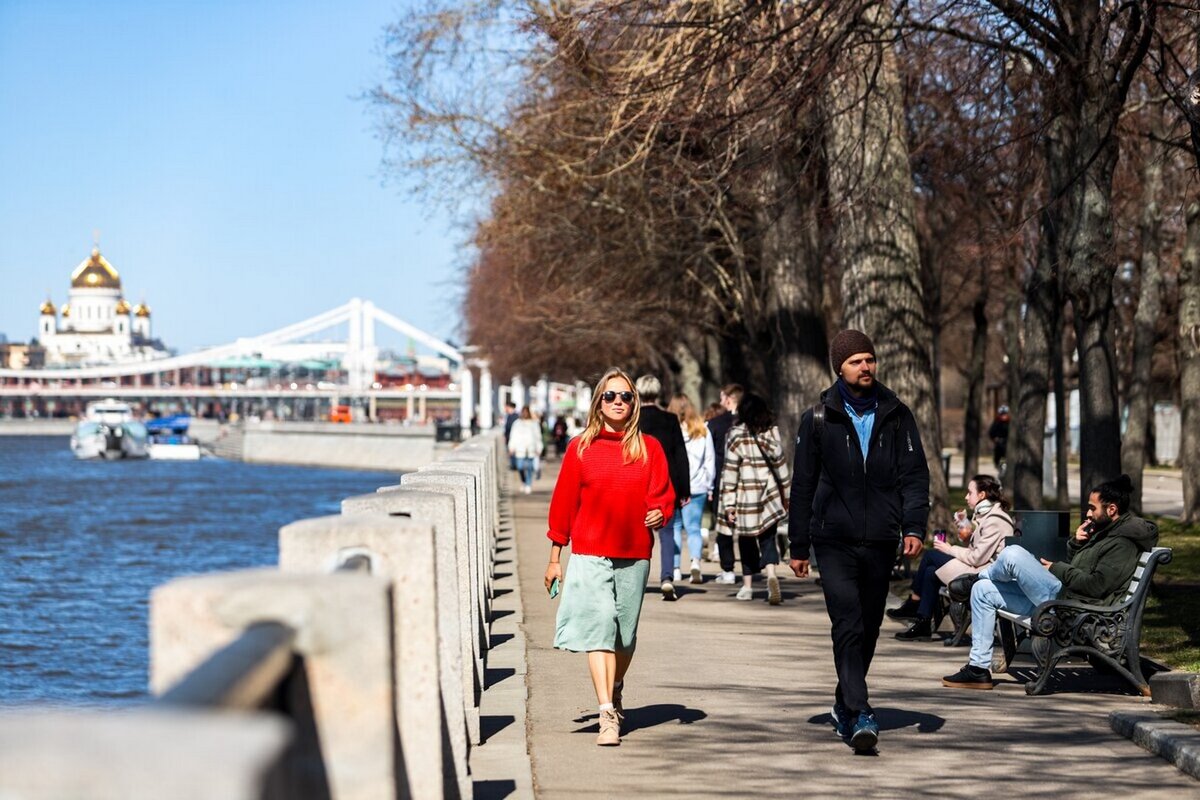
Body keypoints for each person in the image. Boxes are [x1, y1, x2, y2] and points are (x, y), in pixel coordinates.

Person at [788, 330, 930, 752]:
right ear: (839, 368)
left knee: (869, 625)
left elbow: (915, 476)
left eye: (869, 359)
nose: (865, 367)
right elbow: (803, 485)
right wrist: (798, 546)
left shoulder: (897, 413)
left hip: (882, 539)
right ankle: (861, 710)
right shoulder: (818, 417)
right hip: (832, 539)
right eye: (856, 361)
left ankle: (842, 703)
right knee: (847, 622)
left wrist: (914, 527)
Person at [544, 367, 675, 746]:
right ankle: (606, 714)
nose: (619, 402)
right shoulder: (580, 447)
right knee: (599, 625)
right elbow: (563, 505)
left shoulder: (649, 447)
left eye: (626, 396)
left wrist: (659, 512)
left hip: (634, 552)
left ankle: (616, 684)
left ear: (635, 403)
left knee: (625, 637)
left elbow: (662, 494)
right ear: (598, 403)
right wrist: (555, 557)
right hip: (589, 551)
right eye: (611, 396)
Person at [941, 474, 1159, 690]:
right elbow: (1082, 568)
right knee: (982, 591)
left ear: (1111, 510)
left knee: (1013, 554)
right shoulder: (1106, 532)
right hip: (1063, 600)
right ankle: (978, 670)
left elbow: (1096, 586)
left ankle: (976, 576)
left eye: (1093, 508)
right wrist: (1076, 543)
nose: (1088, 513)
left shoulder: (1121, 544)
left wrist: (1056, 567)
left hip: (1072, 608)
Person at [888, 474, 1012, 640]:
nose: (966, 497)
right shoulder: (987, 517)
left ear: (982, 495)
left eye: (970, 493)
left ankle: (914, 602)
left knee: (932, 555)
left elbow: (977, 558)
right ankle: (923, 622)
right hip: (980, 567)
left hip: (986, 573)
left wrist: (949, 548)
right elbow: (980, 550)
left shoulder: (995, 520)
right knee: (932, 572)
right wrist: (967, 534)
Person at [718, 392, 791, 604]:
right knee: (768, 539)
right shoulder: (772, 433)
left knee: (746, 541)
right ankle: (771, 576)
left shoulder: (735, 434)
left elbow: (730, 471)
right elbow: (781, 467)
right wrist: (787, 495)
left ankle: (748, 587)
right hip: (769, 494)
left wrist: (728, 504)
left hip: (745, 495)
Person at [634, 374, 692, 600]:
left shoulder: (633, 418)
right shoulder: (669, 420)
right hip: (666, 483)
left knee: (639, 533)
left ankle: (637, 578)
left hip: (638, 483)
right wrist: (684, 489)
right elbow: (680, 455)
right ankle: (667, 577)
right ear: (657, 393)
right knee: (667, 533)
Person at [667, 393, 716, 584]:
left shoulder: (670, 431)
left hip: (674, 486)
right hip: (698, 486)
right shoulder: (703, 430)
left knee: (675, 528)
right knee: (694, 528)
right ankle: (695, 562)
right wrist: (710, 485)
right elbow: (709, 461)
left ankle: (676, 568)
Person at [706, 383, 743, 582]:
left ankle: (728, 570)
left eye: (722, 398)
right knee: (747, 528)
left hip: (722, 479)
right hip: (746, 482)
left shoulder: (715, 424)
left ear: (729, 399)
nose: (721, 403)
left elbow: (709, 456)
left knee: (724, 527)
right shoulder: (750, 423)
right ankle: (751, 567)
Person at [507, 407, 544, 494]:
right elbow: (513, 435)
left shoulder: (534, 423)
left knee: (530, 468)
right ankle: (523, 481)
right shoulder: (517, 423)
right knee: (520, 466)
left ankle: (528, 484)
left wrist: (539, 447)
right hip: (520, 448)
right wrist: (511, 447)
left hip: (531, 448)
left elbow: (538, 436)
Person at [988, 405, 1010, 473]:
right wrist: (995, 438)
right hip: (999, 444)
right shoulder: (997, 422)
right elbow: (991, 432)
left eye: (1005, 414)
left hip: (1008, 444)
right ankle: (998, 467)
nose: (1003, 416)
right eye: (1002, 414)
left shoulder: (1011, 422)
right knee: (997, 457)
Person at [503, 401, 520, 470]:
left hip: (513, 437)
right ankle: (514, 465)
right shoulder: (509, 416)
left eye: (506, 407)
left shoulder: (515, 416)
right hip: (509, 437)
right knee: (511, 452)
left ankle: (515, 466)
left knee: (513, 452)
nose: (505, 409)